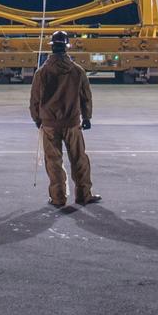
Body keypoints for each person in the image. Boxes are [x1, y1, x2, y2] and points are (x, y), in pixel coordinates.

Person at [29, 29, 100, 209]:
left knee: (53, 161)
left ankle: (58, 197)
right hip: (72, 123)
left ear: (52, 48)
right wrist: (87, 117)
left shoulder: (42, 72)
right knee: (79, 159)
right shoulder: (77, 71)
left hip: (50, 124)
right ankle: (84, 195)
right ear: (66, 48)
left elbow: (35, 99)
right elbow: (86, 97)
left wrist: (37, 119)